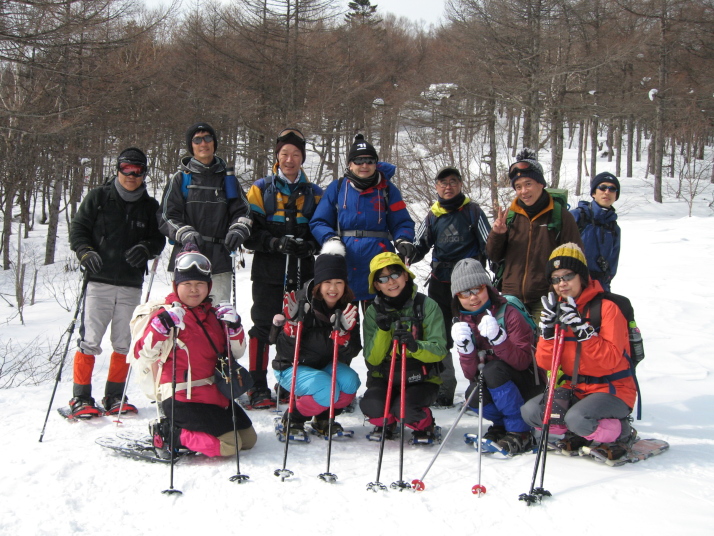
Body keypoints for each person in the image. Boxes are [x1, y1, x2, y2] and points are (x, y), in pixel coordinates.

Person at [68, 147, 165, 417]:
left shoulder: (149, 206)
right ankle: (80, 397)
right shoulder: (99, 198)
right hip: (98, 281)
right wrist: (85, 252)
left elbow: (159, 239)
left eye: (138, 170)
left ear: (144, 173)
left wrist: (146, 248)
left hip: (130, 283)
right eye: (126, 168)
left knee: (124, 342)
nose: (131, 175)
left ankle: (115, 396)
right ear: (118, 169)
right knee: (90, 340)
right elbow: (78, 229)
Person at [133, 246, 257, 458]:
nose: (194, 290)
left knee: (248, 439)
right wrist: (159, 327)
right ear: (176, 285)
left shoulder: (215, 315)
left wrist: (235, 327)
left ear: (208, 286)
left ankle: (196, 429)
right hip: (182, 398)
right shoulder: (166, 314)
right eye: (187, 284)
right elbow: (143, 354)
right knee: (229, 445)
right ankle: (170, 434)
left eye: (200, 283)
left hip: (217, 393)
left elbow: (236, 353)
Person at [520, 243, 637, 461]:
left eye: (567, 276)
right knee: (532, 412)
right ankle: (581, 433)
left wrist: (585, 333)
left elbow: (612, 359)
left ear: (581, 276)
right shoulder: (557, 310)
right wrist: (547, 334)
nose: (561, 283)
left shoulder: (607, 308)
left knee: (578, 418)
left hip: (613, 388)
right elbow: (546, 363)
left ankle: (622, 432)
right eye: (555, 279)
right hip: (575, 387)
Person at [243, 128, 323, 409]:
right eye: (284, 153)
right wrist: (274, 243)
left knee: (299, 326)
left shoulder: (314, 193)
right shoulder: (260, 188)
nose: (290, 159)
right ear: (277, 156)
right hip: (268, 270)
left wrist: (310, 246)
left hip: (303, 271)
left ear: (302, 158)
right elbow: (250, 232)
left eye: (296, 154)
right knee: (264, 326)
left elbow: (323, 228)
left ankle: (289, 383)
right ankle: (257, 385)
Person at [412, 166, 491, 407]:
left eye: (453, 181)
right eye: (443, 182)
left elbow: (489, 244)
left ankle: (479, 390)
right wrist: (405, 254)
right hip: (440, 283)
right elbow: (420, 245)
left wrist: (498, 269)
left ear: (460, 185)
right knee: (441, 337)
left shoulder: (473, 211)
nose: (448, 186)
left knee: (477, 335)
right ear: (436, 187)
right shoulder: (433, 215)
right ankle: (444, 389)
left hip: (470, 286)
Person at [449, 258, 545, 454]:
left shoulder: (509, 313)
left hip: (528, 384)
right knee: (472, 394)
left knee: (493, 371)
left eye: (477, 289)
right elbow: (471, 375)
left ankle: (520, 431)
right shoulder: (464, 321)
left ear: (488, 287)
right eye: (465, 293)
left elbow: (522, 361)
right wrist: (465, 350)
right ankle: (502, 426)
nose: (473, 297)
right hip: (498, 382)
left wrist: (499, 339)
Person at [309, 134, 415, 305]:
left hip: (379, 265)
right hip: (345, 263)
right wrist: (330, 239)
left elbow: (402, 221)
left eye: (369, 161)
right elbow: (319, 221)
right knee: (346, 325)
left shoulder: (388, 190)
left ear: (375, 164)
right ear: (350, 165)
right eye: (358, 161)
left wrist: (404, 239)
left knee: (379, 323)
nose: (364, 165)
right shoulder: (337, 188)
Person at [270, 242, 362, 438]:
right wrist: (291, 330)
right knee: (326, 386)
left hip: (323, 366)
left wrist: (344, 339)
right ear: (318, 283)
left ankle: (323, 419)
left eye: (339, 282)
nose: (333, 288)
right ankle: (293, 418)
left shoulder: (347, 308)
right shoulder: (301, 304)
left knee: (350, 382)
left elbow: (354, 348)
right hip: (290, 367)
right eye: (327, 282)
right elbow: (284, 351)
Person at [158, 121, 252, 304]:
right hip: (186, 259)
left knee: (218, 318)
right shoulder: (181, 179)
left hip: (220, 259)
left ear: (214, 143)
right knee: (185, 320)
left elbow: (244, 211)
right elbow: (166, 216)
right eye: (197, 140)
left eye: (208, 138)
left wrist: (238, 229)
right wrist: (185, 232)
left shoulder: (228, 179)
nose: (203, 143)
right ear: (191, 146)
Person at [486, 148, 583, 321]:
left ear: (541, 184)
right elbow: (493, 256)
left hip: (546, 298)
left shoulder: (560, 216)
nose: (523, 191)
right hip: (511, 295)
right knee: (513, 346)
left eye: (528, 184)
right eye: (518, 186)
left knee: (542, 345)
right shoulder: (510, 216)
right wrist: (497, 234)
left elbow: (576, 259)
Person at [360, 252, 446, 443]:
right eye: (382, 278)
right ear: (376, 285)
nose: (390, 282)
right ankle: (387, 422)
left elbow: (439, 350)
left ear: (406, 275)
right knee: (372, 407)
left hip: (420, 378)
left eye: (395, 274)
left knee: (405, 410)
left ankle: (425, 424)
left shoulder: (427, 306)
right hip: (385, 377)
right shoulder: (373, 312)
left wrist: (415, 346)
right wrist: (383, 332)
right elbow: (372, 359)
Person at [570, 172, 621, 291]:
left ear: (616, 196)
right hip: (572, 285)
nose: (607, 192)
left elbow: (612, 265)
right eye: (602, 188)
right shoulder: (577, 216)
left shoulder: (614, 228)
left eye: (612, 189)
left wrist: (605, 286)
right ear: (594, 193)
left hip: (599, 287)